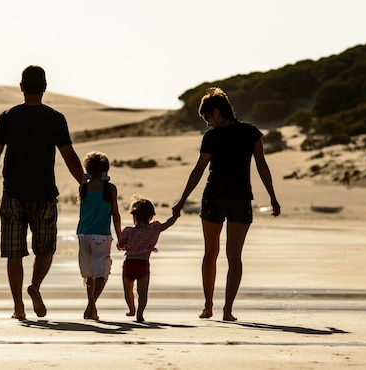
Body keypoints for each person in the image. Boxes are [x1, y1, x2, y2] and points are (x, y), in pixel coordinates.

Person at [172, 87, 280, 322]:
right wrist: (272, 196)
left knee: (210, 253)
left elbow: (199, 171)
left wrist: (181, 201)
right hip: (240, 198)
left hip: (214, 197)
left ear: (218, 112)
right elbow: (262, 166)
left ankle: (208, 306)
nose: (207, 124)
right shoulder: (251, 132)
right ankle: (227, 310)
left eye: (207, 118)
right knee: (235, 257)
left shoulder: (212, 137)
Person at [0, 65, 84, 320]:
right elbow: (69, 156)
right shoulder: (54, 118)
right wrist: (85, 182)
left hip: (13, 194)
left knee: (14, 252)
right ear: (44, 88)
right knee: (46, 248)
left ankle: (18, 307)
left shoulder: (7, 116)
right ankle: (35, 286)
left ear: (21, 87)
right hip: (43, 195)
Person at [117, 195, 178, 322]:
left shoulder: (128, 231)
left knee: (128, 289)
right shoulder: (153, 229)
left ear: (134, 216)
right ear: (150, 216)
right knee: (142, 292)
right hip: (143, 265)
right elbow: (167, 224)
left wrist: (121, 244)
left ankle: (131, 309)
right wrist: (175, 216)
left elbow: (120, 244)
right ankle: (140, 313)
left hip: (129, 264)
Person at [76, 151, 122, 320]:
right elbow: (115, 214)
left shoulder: (83, 187)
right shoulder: (110, 188)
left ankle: (92, 308)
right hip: (101, 236)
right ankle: (91, 304)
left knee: (89, 275)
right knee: (101, 273)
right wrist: (120, 236)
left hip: (83, 234)